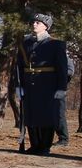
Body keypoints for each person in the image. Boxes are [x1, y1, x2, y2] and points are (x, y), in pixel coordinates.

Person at [12, 13, 71, 155]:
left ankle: (45, 146)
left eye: (38, 23)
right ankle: (35, 145)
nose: (34, 24)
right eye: (33, 22)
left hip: (48, 84)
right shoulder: (25, 43)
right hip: (29, 84)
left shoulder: (56, 44)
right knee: (31, 115)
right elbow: (18, 66)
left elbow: (62, 68)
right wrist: (18, 85)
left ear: (46, 26)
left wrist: (61, 88)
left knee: (46, 116)